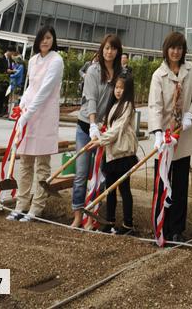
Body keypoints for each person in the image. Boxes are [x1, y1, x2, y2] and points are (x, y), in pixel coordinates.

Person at [148, 31, 192, 243]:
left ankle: (177, 229)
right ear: (166, 49)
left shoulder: (191, 70)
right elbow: (155, 105)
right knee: (162, 182)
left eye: (179, 48)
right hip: (164, 138)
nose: (176, 51)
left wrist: (190, 113)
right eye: (172, 47)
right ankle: (160, 226)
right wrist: (157, 133)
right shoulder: (158, 75)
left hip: (184, 136)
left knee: (180, 184)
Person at [7, 25, 64, 222]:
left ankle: (36, 207)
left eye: (48, 38)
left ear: (53, 39)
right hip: (29, 115)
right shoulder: (32, 60)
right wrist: (22, 106)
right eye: (42, 38)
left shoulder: (56, 60)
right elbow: (31, 87)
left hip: (45, 115)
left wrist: (28, 112)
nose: (45, 41)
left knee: (42, 164)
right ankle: (21, 203)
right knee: (25, 163)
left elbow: (45, 90)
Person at [70, 33, 123, 228]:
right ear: (102, 49)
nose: (109, 52)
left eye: (113, 48)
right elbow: (91, 98)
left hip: (105, 130)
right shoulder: (93, 70)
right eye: (106, 48)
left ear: (118, 51)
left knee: (99, 175)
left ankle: (91, 216)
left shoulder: (120, 73)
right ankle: (77, 215)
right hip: (86, 126)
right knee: (82, 173)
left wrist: (106, 126)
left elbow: (121, 99)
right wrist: (92, 124)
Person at [98, 72, 138, 234]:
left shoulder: (127, 106)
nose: (118, 90)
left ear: (127, 90)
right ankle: (110, 221)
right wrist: (98, 133)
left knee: (124, 189)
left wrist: (100, 140)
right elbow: (107, 125)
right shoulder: (113, 105)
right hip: (111, 153)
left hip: (122, 153)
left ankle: (128, 224)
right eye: (116, 87)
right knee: (110, 189)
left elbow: (116, 129)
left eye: (122, 88)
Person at [0, 45, 15, 117]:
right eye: (12, 53)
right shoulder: (1, 58)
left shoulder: (10, 60)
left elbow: (10, 69)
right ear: (9, 51)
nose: (12, 54)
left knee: (3, 97)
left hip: (6, 81)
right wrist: (5, 71)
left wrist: (12, 71)